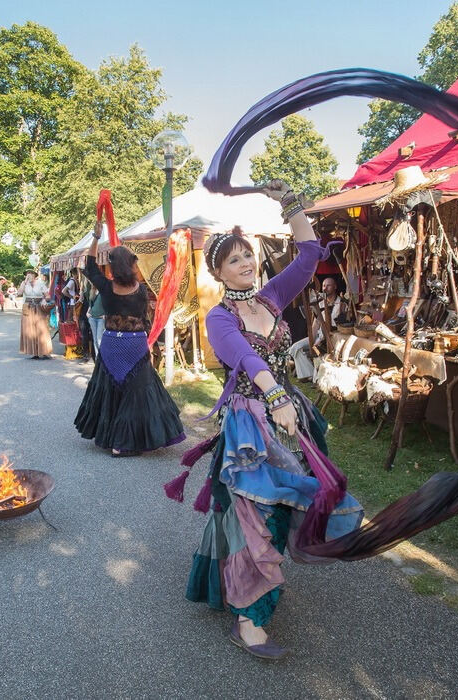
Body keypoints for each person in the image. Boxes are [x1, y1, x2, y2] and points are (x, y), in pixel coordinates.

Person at [172, 181, 358, 659]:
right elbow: (241, 357)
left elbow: (310, 252)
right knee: (254, 516)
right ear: (218, 270)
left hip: (290, 420)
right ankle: (249, 619)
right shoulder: (219, 317)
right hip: (251, 426)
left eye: (248, 255)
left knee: (287, 507)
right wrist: (275, 394)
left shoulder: (272, 297)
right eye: (234, 260)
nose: (246, 264)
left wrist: (290, 203)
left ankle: (259, 590)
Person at [74, 223, 185, 456]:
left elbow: (89, 265)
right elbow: (145, 320)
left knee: (111, 389)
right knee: (137, 392)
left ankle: (114, 440)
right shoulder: (141, 290)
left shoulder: (105, 287)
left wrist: (95, 236)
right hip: (134, 344)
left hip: (111, 344)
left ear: (114, 266)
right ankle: (126, 443)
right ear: (131, 265)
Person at [18, 270, 52, 358]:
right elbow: (19, 293)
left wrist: (44, 299)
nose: (28, 275)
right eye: (27, 274)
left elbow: (48, 296)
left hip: (39, 306)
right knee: (30, 330)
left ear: (34, 275)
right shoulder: (24, 283)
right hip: (28, 307)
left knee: (41, 328)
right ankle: (34, 353)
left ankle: (44, 352)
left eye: (30, 274)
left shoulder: (40, 283)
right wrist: (24, 282)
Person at [87, 284, 105, 359]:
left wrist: (105, 315)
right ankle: (97, 359)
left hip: (101, 318)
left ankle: (102, 359)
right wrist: (88, 312)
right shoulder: (92, 291)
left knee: (99, 339)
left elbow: (108, 304)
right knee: (95, 339)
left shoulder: (103, 292)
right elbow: (91, 304)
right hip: (92, 317)